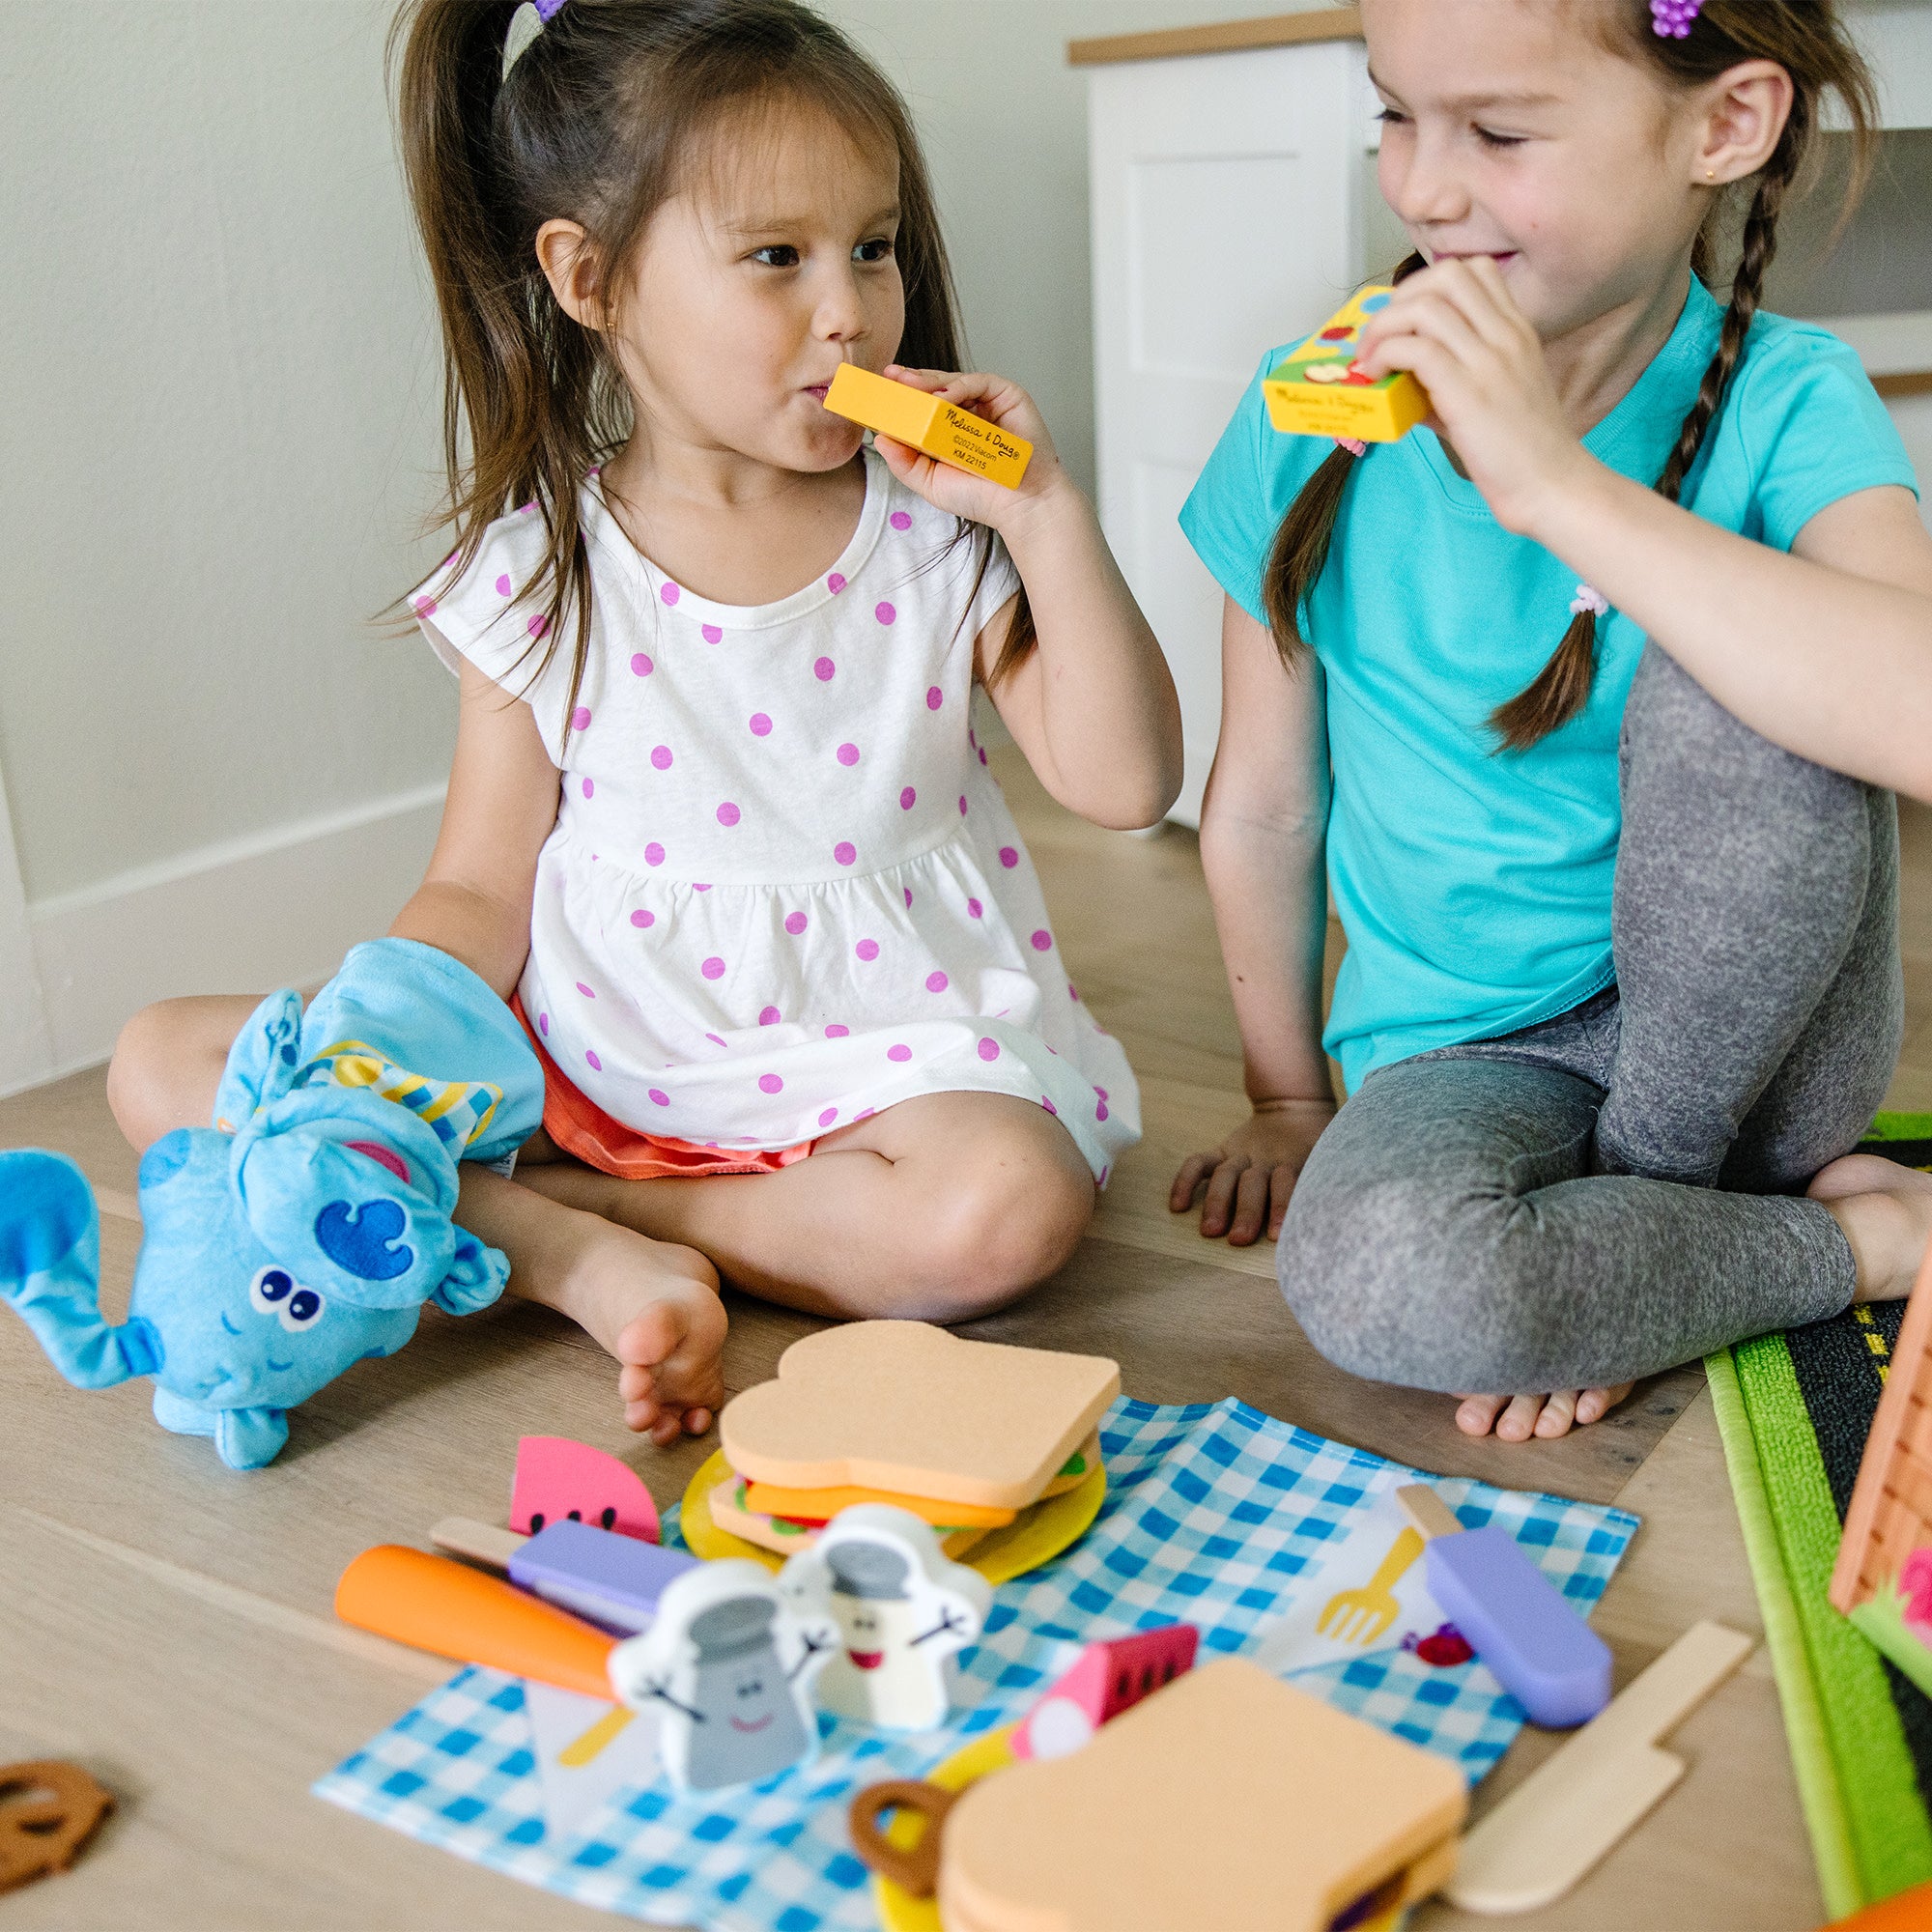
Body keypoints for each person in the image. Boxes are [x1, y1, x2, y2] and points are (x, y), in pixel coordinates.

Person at [108, 0, 1180, 1443]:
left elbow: (1123, 783)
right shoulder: (546, 568)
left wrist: (1047, 515)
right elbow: (483, 884)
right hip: (592, 1052)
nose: (851, 308)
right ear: (591, 278)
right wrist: (365, 1053)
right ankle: (571, 1252)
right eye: (776, 260)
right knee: (160, 1063)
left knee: (1006, 1217)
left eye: (872, 246)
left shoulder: (935, 538)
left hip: (877, 1068)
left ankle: (564, 1221)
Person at [1171, 0, 1932, 1440]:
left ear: (1725, 126)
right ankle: (1848, 1247)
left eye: (1500, 133)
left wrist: (1554, 484)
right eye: (1395, 114)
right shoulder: (1312, 415)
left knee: (1749, 654)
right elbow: (1267, 802)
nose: (1420, 188)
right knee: (1389, 1287)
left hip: (1758, 1055)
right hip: (1470, 1056)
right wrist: (1287, 1104)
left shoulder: (1790, 398)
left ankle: (1652, 1199)